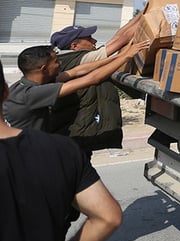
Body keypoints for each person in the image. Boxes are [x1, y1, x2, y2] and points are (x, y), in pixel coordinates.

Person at [0, 60, 123, 241]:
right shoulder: (63, 150)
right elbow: (109, 217)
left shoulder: (33, 88)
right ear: (5, 92)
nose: (58, 63)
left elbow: (79, 72)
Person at [3, 40, 149, 135]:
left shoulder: (31, 83)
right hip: (27, 151)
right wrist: (126, 57)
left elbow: (78, 71)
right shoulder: (33, 93)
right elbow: (92, 78)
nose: (60, 63)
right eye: (55, 61)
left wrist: (118, 56)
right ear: (44, 69)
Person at [49, 14, 143, 154]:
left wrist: (143, 13)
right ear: (74, 46)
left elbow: (118, 36)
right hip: (80, 131)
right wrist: (153, 14)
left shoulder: (68, 58)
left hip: (76, 130)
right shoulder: (83, 58)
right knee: (78, 166)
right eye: (89, 39)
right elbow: (121, 39)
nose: (95, 40)